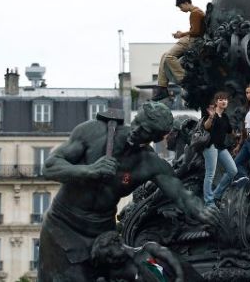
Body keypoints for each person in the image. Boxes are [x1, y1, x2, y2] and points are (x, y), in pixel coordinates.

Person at [40, 102, 208, 281]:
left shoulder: (149, 164)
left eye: (145, 131)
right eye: (136, 122)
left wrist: (208, 216)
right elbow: (49, 167)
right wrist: (89, 170)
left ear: (156, 138)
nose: (136, 130)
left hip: (103, 235)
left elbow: (183, 197)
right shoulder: (94, 132)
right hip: (63, 226)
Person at [155, 0, 205, 101]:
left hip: (192, 41)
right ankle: (162, 87)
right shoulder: (197, 12)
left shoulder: (195, 13)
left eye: (181, 7)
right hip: (190, 38)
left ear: (186, 3)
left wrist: (181, 34)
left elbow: (196, 32)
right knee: (164, 56)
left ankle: (183, 79)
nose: (181, 10)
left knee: (169, 56)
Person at [201, 92, 239, 208]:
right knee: (210, 174)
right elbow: (206, 127)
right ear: (216, 102)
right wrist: (211, 116)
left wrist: (242, 135)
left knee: (232, 170)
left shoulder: (225, 116)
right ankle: (209, 202)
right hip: (210, 146)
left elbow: (230, 132)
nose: (224, 101)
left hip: (221, 147)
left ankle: (216, 195)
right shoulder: (211, 113)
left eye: (225, 100)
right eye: (221, 99)